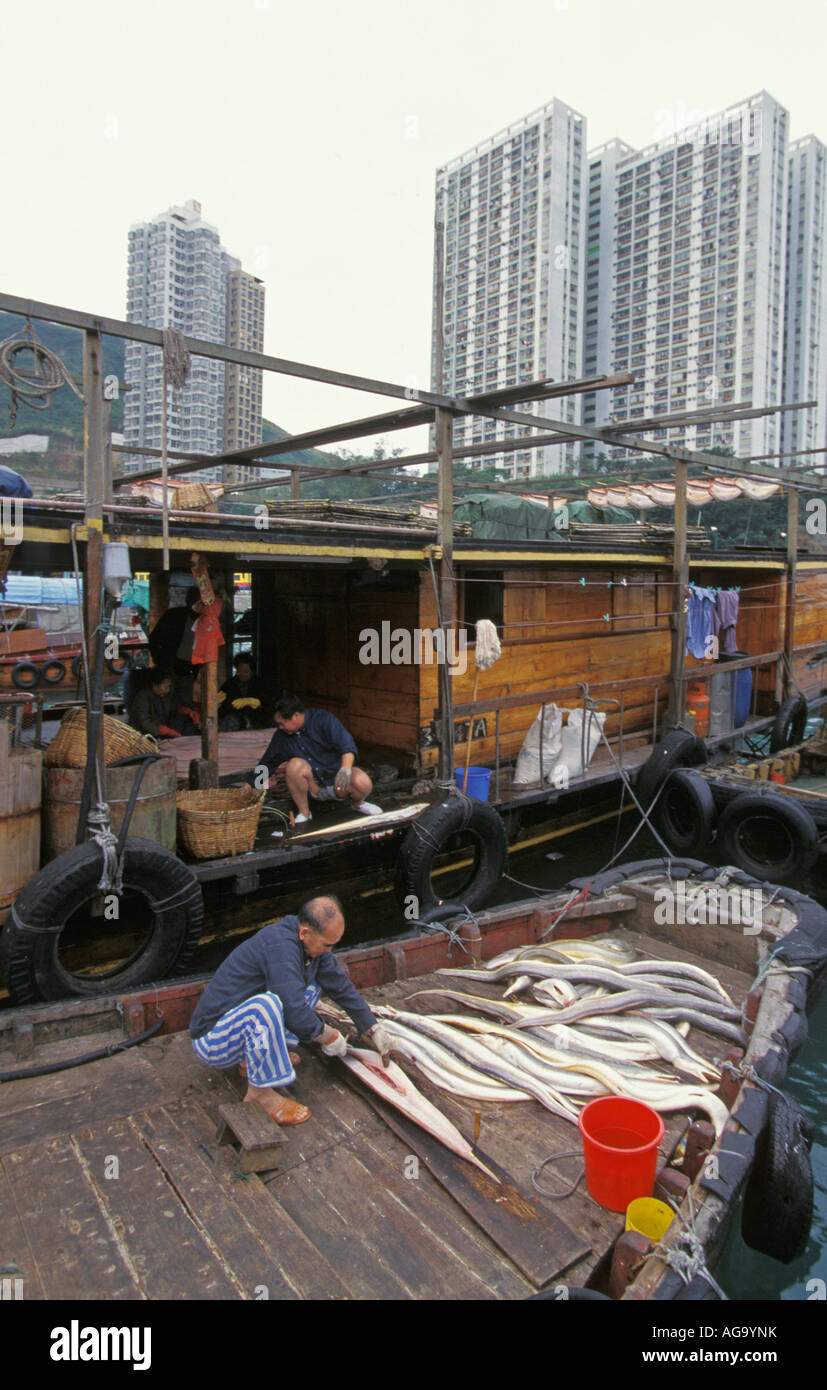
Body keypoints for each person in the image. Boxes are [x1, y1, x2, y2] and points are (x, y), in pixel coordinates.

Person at [188, 896, 393, 1126]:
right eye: (327, 945)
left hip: (239, 1031)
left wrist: (370, 1026)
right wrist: (329, 1035)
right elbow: (293, 1010)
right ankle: (260, 1094)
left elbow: (338, 984)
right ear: (305, 933)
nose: (330, 950)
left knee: (312, 985)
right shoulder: (280, 947)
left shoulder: (309, 945)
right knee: (269, 1005)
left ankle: (250, 1062)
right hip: (214, 1040)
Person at [246, 693, 381, 824]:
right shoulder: (281, 737)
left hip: (337, 782)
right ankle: (305, 813)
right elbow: (267, 764)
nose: (280, 727)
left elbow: (347, 746)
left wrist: (345, 770)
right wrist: (249, 785)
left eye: (282, 723)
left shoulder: (323, 719)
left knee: (362, 781)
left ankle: (358, 804)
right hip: (313, 787)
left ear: (295, 716)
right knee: (294, 765)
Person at [128, 668, 197, 740]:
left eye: (169, 687)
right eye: (166, 687)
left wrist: (188, 711)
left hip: (162, 727)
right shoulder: (142, 697)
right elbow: (145, 723)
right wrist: (164, 730)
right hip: (144, 734)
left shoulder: (164, 696)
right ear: (155, 685)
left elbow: (174, 708)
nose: (168, 690)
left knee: (186, 721)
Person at [218, 654, 271, 731]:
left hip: (256, 723)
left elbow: (269, 704)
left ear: (252, 671)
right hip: (233, 724)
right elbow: (222, 708)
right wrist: (217, 704)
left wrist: (256, 702)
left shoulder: (261, 684)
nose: (242, 674)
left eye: (246, 672)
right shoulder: (229, 684)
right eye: (239, 671)